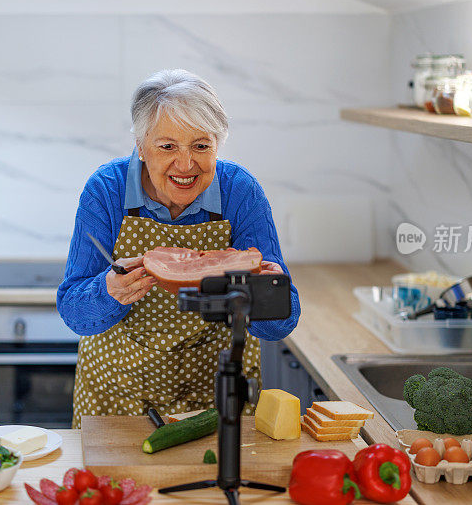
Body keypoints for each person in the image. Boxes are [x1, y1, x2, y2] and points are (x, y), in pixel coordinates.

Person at [57, 69, 300, 427]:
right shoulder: (106, 190)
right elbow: (73, 311)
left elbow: (282, 325)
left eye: (201, 146)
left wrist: (269, 297)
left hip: (217, 398)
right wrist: (108, 291)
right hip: (117, 397)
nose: (185, 165)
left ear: (217, 144)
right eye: (167, 146)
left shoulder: (240, 192)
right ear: (140, 147)